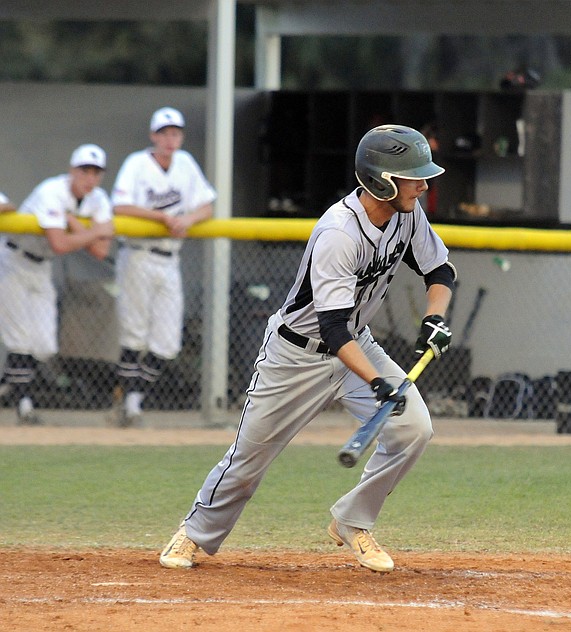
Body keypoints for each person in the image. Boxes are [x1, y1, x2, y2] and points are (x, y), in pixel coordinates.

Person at [159, 124, 455, 573]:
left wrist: (434, 317)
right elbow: (332, 328)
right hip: (297, 355)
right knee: (249, 457)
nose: (424, 184)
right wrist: (378, 383)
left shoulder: (407, 214)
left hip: (359, 343)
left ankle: (353, 521)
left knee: (414, 428)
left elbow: (441, 271)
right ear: (382, 181)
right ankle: (193, 534)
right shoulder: (339, 231)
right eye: (413, 176)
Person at [110, 107, 216, 427]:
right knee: (134, 333)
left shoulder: (185, 164)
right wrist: (162, 217)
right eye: (165, 133)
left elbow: (207, 205)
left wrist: (188, 218)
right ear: (153, 136)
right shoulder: (136, 164)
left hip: (170, 259)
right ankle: (130, 405)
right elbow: (120, 206)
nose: (170, 139)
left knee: (168, 343)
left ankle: (134, 398)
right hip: (138, 254)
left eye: (175, 133)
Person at [0, 145, 114, 425]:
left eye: (96, 172)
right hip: (14, 260)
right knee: (20, 339)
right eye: (84, 171)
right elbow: (60, 244)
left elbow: (101, 251)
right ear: (72, 171)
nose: (90, 178)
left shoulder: (98, 198)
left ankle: (7, 381)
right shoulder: (51, 191)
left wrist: (76, 225)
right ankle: (24, 407)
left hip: (41, 266)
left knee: (45, 345)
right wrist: (93, 232)